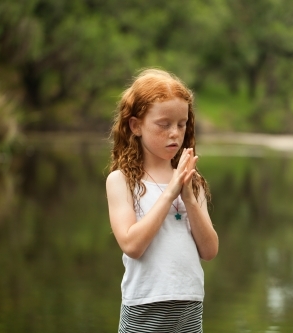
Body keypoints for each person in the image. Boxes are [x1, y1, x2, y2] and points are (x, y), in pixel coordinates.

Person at [106, 68, 219, 333]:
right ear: (136, 126)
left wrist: (188, 198)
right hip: (145, 305)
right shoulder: (121, 181)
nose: (175, 134)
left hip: (189, 306)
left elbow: (210, 251)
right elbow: (132, 245)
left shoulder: (192, 181)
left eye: (181, 124)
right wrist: (170, 194)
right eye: (164, 124)